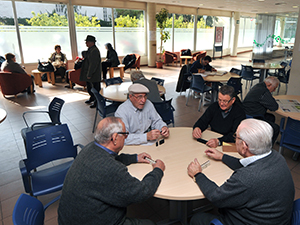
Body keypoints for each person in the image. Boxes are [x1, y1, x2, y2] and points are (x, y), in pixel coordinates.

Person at [58, 117, 165, 225]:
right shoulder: (111, 169)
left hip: (70, 218)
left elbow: (110, 158)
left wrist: (135, 158)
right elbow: (142, 192)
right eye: (125, 134)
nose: (126, 136)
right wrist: (157, 170)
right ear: (114, 138)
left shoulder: (90, 147)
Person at [187, 119, 295, 225]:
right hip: (276, 218)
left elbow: (216, 197)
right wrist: (223, 157)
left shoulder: (246, 178)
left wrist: (198, 174)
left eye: (236, 136)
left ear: (244, 146)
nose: (234, 139)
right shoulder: (277, 157)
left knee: (197, 219)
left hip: (248, 220)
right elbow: (249, 164)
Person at [242, 76, 280, 144]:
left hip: (246, 111)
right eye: (274, 88)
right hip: (252, 116)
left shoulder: (259, 85)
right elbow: (274, 107)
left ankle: (264, 138)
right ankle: (268, 147)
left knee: (271, 117)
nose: (274, 91)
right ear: (269, 85)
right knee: (276, 128)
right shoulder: (264, 92)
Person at [80, 35, 101, 109]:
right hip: (89, 73)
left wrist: (89, 74)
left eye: (87, 42)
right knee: (89, 87)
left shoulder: (94, 51)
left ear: (91, 42)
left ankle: (97, 101)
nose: (86, 43)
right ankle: (92, 98)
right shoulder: (90, 49)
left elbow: (93, 64)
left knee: (95, 88)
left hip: (93, 74)